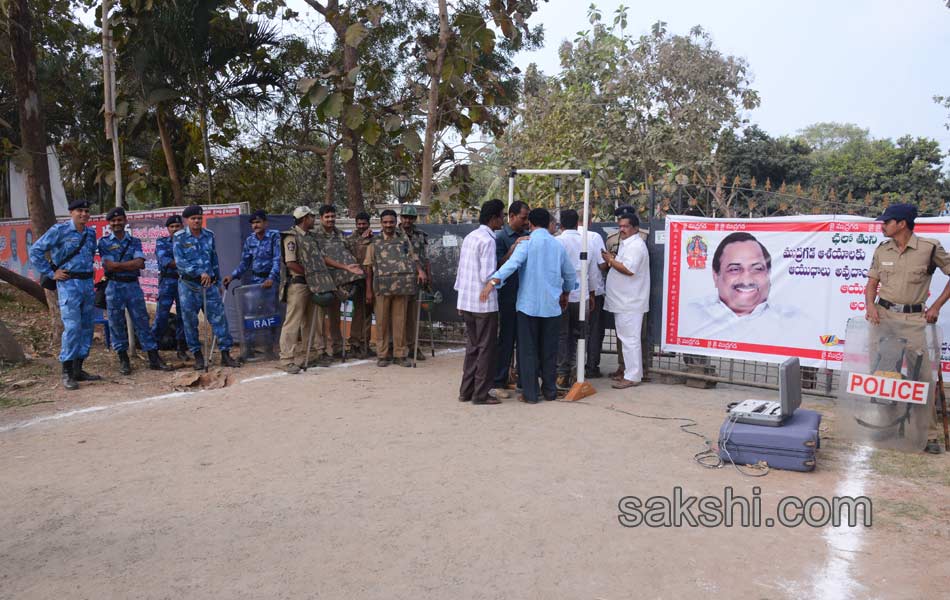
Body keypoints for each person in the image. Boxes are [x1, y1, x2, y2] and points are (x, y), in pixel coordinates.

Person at [865, 203, 950, 454]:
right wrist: (870, 305)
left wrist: (935, 306)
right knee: (884, 375)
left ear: (901, 223)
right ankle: (888, 426)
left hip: (914, 321)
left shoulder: (929, 248)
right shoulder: (882, 249)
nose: (882, 225)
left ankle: (929, 436)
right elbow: (871, 283)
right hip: (884, 317)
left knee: (922, 378)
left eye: (886, 221)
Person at [481, 208, 576, 404]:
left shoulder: (526, 244)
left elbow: (511, 265)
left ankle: (530, 394)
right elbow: (569, 274)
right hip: (551, 307)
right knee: (549, 350)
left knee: (528, 350)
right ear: (549, 224)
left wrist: (493, 281)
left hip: (528, 307)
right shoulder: (558, 246)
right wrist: (566, 292)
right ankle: (549, 391)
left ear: (531, 224)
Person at [280, 207, 364, 373]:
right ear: (304, 218)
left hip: (313, 285)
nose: (313, 220)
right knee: (293, 322)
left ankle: (311, 354)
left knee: (313, 321)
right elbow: (291, 263)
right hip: (298, 284)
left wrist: (345, 267)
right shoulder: (291, 236)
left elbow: (323, 258)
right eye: (311, 217)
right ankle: (286, 359)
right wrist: (310, 274)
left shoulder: (311, 237)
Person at [678, 231, 802, 342]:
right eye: (735, 269)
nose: (746, 280)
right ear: (716, 276)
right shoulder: (692, 314)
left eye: (757, 269)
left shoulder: (794, 321)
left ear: (769, 274)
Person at [29, 199, 100, 390]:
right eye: (80, 211)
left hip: (87, 284)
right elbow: (35, 250)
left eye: (86, 211)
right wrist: (52, 273)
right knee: (73, 327)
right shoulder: (59, 231)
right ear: (71, 212)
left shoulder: (90, 233)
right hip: (69, 284)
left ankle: (79, 369)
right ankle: (67, 371)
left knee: (86, 327)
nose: (84, 214)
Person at [97, 207, 171, 375]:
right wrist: (128, 264)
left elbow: (140, 263)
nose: (117, 223)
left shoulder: (134, 241)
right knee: (116, 323)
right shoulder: (104, 242)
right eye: (113, 221)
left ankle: (153, 358)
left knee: (142, 321)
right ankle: (123, 359)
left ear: (125, 221)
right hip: (114, 287)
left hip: (133, 286)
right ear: (109, 223)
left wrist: (119, 266)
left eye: (120, 220)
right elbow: (109, 265)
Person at [173, 204, 241, 370]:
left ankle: (225, 354)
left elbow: (213, 259)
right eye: (193, 218)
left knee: (219, 319)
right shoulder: (179, 237)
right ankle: (197, 355)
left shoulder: (209, 235)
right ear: (187, 220)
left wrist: (217, 281)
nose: (196, 221)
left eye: (199, 218)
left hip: (209, 285)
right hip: (188, 286)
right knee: (189, 322)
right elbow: (180, 262)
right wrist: (198, 273)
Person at [455, 199, 505, 404]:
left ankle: (466, 391)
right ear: (493, 219)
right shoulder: (488, 240)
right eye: (502, 216)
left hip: (467, 302)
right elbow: (488, 275)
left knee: (473, 348)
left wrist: (460, 301)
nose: (503, 219)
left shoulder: (470, 237)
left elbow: (461, 272)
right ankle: (480, 394)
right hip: (484, 305)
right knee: (486, 349)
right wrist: (504, 271)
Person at [364, 209, 427, 367]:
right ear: (381, 223)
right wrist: (369, 290)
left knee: (400, 321)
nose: (388, 225)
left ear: (395, 222)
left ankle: (400, 354)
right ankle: (383, 355)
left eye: (391, 222)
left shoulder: (404, 240)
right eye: (385, 222)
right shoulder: (375, 242)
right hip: (382, 288)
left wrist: (420, 271)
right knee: (382, 322)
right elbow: (368, 268)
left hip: (401, 287)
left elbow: (414, 258)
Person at [554, 209, 604, 389]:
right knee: (580, 336)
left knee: (561, 336)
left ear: (561, 224)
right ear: (578, 223)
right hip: (581, 296)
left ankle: (561, 374)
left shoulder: (557, 242)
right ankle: (577, 373)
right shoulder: (587, 243)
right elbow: (592, 272)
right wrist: (591, 294)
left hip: (562, 296)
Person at [223, 209, 281, 357]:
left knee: (270, 315)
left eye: (258, 222)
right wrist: (232, 276)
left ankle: (270, 348)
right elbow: (244, 263)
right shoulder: (250, 240)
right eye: (253, 223)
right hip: (255, 282)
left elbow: (277, 260)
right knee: (250, 314)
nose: (256, 225)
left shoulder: (274, 236)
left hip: (270, 282)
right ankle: (248, 349)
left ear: (265, 223)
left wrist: (271, 278)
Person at [603, 213, 650, 388]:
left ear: (636, 228)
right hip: (623, 300)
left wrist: (610, 260)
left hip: (630, 301)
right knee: (627, 339)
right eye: (620, 226)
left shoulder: (636, 246)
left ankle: (633, 376)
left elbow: (629, 270)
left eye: (626, 226)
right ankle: (630, 372)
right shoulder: (627, 244)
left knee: (630, 340)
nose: (622, 229)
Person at [314, 204, 362, 360]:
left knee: (338, 314)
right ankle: (323, 349)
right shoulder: (315, 236)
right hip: (323, 282)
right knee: (326, 317)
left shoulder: (340, 234)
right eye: (327, 217)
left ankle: (338, 347)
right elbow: (319, 259)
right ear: (321, 218)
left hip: (342, 281)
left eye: (333, 216)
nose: (330, 219)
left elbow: (350, 251)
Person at [493, 200, 530, 390]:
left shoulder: (529, 236)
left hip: (525, 297)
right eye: (523, 218)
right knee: (506, 340)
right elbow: (498, 265)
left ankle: (523, 381)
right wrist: (513, 249)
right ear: (512, 216)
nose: (526, 222)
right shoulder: (501, 238)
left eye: (527, 218)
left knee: (524, 341)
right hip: (507, 297)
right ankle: (500, 379)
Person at [151, 215, 189, 360]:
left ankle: (181, 348)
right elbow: (165, 261)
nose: (174, 229)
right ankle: (153, 348)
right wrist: (187, 264)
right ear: (168, 229)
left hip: (184, 282)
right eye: (171, 227)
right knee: (162, 315)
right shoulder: (162, 242)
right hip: (168, 282)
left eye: (177, 226)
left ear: (182, 228)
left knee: (183, 315)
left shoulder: (188, 242)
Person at [400, 205, 430, 361]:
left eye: (410, 218)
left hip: (416, 279)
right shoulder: (394, 234)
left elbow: (425, 257)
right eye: (404, 217)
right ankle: (398, 347)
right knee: (398, 316)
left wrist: (428, 277)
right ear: (400, 218)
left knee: (413, 316)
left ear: (414, 219)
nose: (407, 220)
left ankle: (413, 347)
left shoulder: (420, 235)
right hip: (398, 281)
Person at [345, 212, 376, 358]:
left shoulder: (375, 239)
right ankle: (354, 344)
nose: (361, 226)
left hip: (372, 280)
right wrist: (362, 240)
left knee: (368, 313)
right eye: (359, 224)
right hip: (357, 280)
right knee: (358, 313)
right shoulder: (350, 239)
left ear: (369, 224)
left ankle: (365, 344)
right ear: (356, 224)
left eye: (364, 224)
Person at [582, 211, 608, 379]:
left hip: (570, 294)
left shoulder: (561, 237)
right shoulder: (594, 237)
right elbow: (602, 265)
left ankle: (570, 367)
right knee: (595, 331)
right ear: (590, 220)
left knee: (572, 332)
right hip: (594, 292)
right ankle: (592, 367)